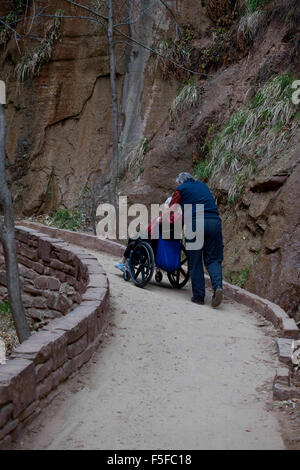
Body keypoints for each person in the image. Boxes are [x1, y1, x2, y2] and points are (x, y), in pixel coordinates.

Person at [169, 172, 223, 308]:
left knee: (195, 261)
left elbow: (171, 209)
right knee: (213, 259)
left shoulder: (180, 189)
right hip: (214, 222)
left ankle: (199, 297)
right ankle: (218, 288)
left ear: (180, 182)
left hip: (196, 223)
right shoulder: (203, 186)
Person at [114, 197, 179, 272]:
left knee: (133, 238)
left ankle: (124, 261)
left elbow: (151, 229)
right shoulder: (179, 217)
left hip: (154, 240)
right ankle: (130, 259)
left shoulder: (163, 217)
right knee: (136, 237)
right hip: (172, 243)